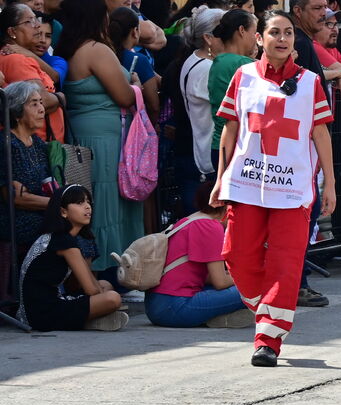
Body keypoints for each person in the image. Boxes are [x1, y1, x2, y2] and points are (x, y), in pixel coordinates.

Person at [214, 11, 336, 367]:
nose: (281, 39)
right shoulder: (243, 77)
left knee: (286, 262)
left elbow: (320, 133)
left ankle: (268, 337)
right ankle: (264, 308)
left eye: (287, 33)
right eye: (273, 32)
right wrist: (220, 177)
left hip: (293, 188)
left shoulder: (310, 81)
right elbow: (231, 129)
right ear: (259, 38)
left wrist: (329, 181)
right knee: (236, 255)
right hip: (246, 184)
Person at [58, 0, 143, 273]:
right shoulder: (95, 49)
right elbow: (124, 97)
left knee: (89, 205)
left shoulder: (65, 49)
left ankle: (94, 270)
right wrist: (135, 86)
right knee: (109, 205)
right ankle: (115, 268)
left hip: (81, 137)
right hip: (105, 139)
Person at [145, 178, 252, 328]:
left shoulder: (188, 220)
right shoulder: (211, 227)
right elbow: (220, 282)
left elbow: (203, 276)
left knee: (241, 284)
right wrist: (253, 273)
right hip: (176, 307)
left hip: (155, 307)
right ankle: (215, 315)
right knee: (258, 285)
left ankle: (216, 317)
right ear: (228, 207)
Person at [19, 186, 127, 331]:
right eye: (79, 203)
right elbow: (91, 290)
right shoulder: (63, 241)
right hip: (40, 314)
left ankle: (90, 320)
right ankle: (89, 321)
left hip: (45, 307)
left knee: (105, 284)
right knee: (112, 298)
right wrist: (105, 301)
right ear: (63, 212)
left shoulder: (64, 237)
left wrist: (100, 293)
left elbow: (92, 283)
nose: (87, 207)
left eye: (88, 202)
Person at [176, 7, 225, 212]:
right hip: (207, 157)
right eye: (225, 30)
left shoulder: (197, 60)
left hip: (204, 153)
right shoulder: (206, 68)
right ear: (208, 37)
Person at [5, 80, 54, 263]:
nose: (42, 109)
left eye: (41, 102)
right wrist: (59, 204)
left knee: (80, 227)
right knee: (63, 232)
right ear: (17, 112)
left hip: (41, 211)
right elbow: (17, 198)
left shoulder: (38, 144)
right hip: (17, 218)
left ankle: (73, 287)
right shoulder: (8, 145)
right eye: (34, 104)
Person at [0, 3, 65, 140]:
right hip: (35, 145)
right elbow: (43, 102)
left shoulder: (21, 57)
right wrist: (60, 98)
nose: (37, 25)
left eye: (36, 19)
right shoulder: (17, 60)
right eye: (29, 21)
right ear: (12, 32)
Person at [207, 10, 258, 170]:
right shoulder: (244, 64)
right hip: (236, 145)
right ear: (242, 31)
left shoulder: (219, 61)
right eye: (254, 32)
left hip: (219, 144)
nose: (256, 39)